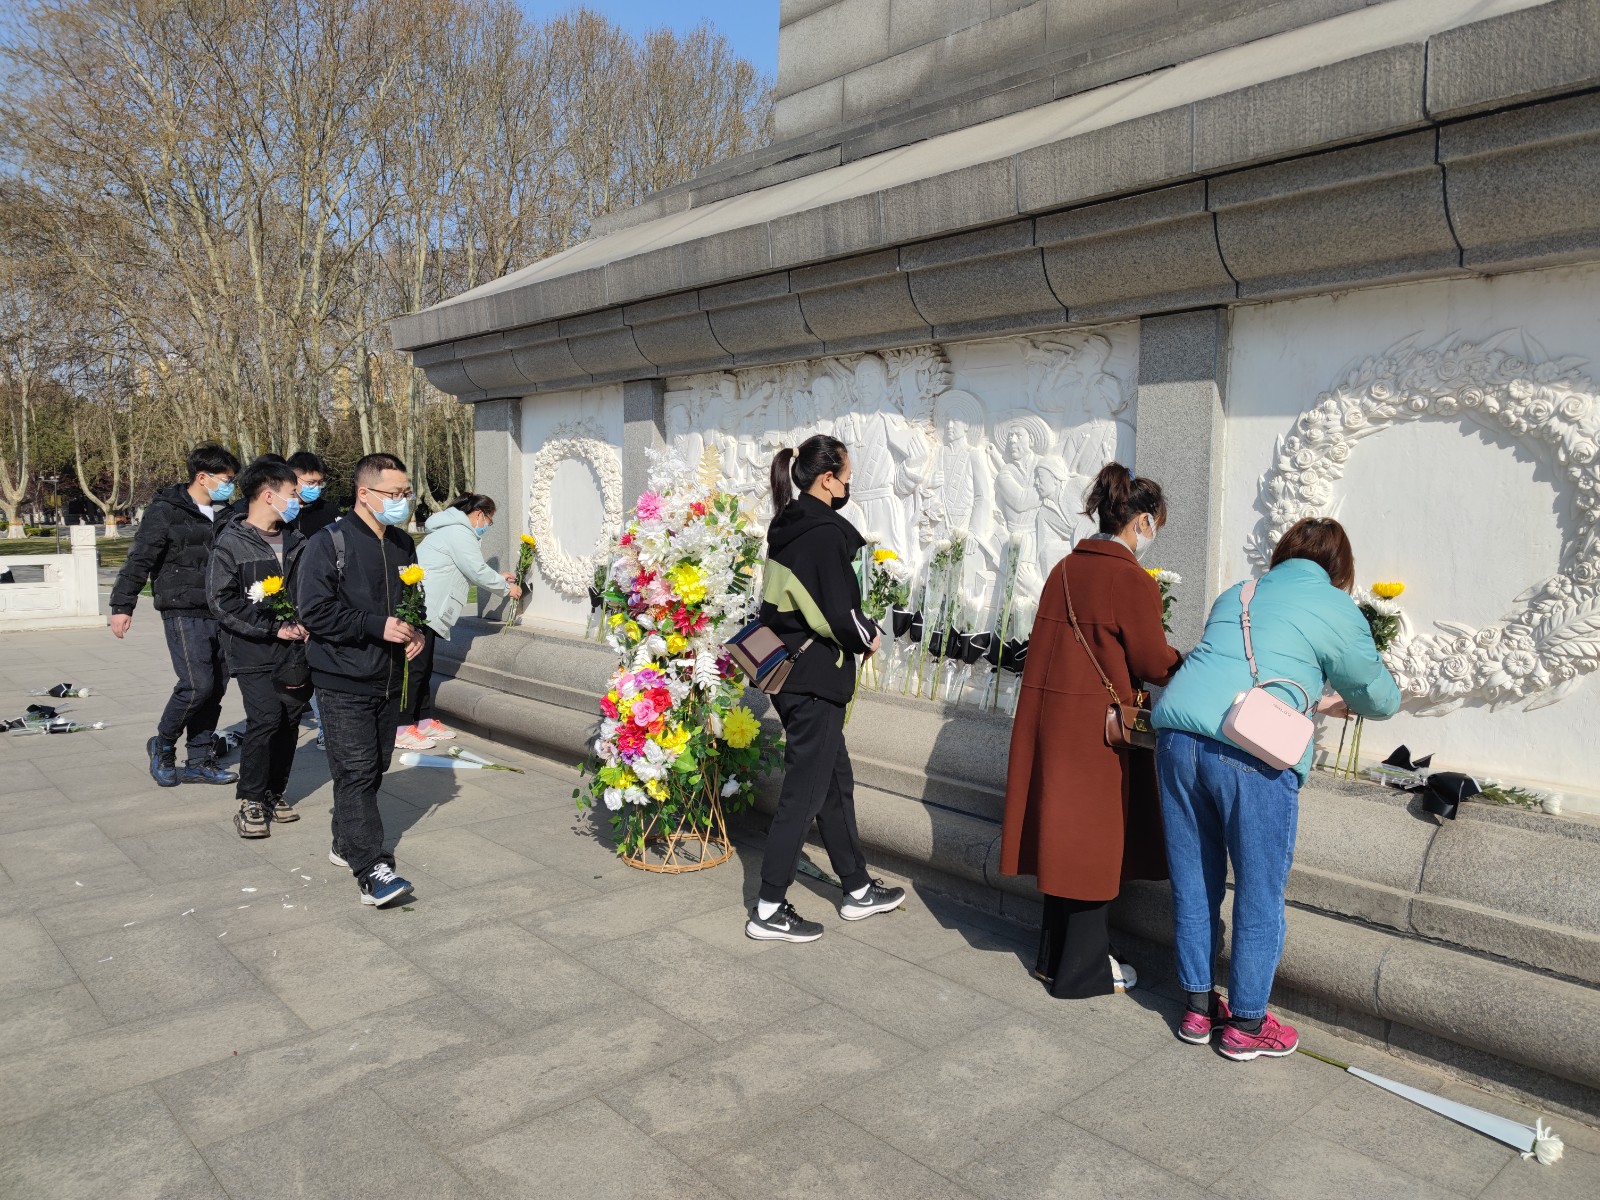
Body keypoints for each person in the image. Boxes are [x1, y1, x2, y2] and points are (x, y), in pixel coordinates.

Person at [1153, 517, 1401, 1060]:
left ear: (1283, 553)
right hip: (1254, 750)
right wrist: (1337, 701)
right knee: (1260, 891)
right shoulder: (1338, 607)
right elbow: (1381, 697)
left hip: (1176, 738)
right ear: (1340, 568)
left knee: (1195, 880)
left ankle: (1197, 1010)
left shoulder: (1238, 591)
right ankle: (1245, 1024)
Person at [999, 463, 1182, 998]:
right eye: (1156, 525)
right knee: (1091, 847)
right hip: (1100, 735)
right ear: (1142, 521)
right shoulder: (1128, 578)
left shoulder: (1064, 568)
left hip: (1057, 722)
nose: (1154, 536)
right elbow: (1152, 661)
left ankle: (1056, 958)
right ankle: (1081, 971)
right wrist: (1189, 662)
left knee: (1063, 841)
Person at [745, 434, 906, 943]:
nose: (849, 485)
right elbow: (838, 612)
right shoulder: (824, 534)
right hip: (814, 678)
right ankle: (768, 907)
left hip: (792, 673)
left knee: (834, 784)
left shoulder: (790, 525)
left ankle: (856, 888)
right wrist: (868, 636)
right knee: (805, 793)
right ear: (827, 478)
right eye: (846, 476)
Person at [296, 452, 426, 908]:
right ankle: (371, 867)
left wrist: (416, 633)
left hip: (389, 677)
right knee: (354, 771)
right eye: (394, 494)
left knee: (376, 766)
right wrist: (376, 626)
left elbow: (413, 601)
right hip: (341, 677)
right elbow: (314, 610)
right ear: (364, 494)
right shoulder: (328, 542)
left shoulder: (402, 545)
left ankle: (344, 841)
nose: (402, 502)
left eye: (406, 493)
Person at [110, 443, 241, 788]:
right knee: (197, 684)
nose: (230, 485)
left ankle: (199, 759)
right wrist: (122, 606)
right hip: (183, 608)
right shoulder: (165, 511)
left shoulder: (227, 513)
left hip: (223, 609)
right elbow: (140, 558)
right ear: (203, 477)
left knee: (217, 687)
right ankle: (164, 745)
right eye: (226, 479)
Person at [206, 457, 311, 838]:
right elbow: (221, 602)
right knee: (265, 718)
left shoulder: (298, 541)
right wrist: (272, 628)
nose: (298, 500)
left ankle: (272, 792)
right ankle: (250, 798)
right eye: (293, 494)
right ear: (269, 495)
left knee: (289, 722)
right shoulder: (231, 543)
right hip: (253, 649)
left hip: (297, 651)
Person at [401, 492, 522, 747]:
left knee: (424, 666)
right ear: (479, 514)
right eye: (490, 520)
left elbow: (465, 567)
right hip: (426, 606)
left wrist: (499, 578)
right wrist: (506, 589)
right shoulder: (460, 532)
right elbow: (475, 570)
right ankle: (402, 726)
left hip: (429, 605)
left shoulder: (454, 530)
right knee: (417, 667)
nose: (488, 526)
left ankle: (422, 720)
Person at [286, 450, 340, 538]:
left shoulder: (331, 512)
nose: (316, 487)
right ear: (292, 480)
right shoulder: (280, 512)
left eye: (320, 483)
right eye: (311, 483)